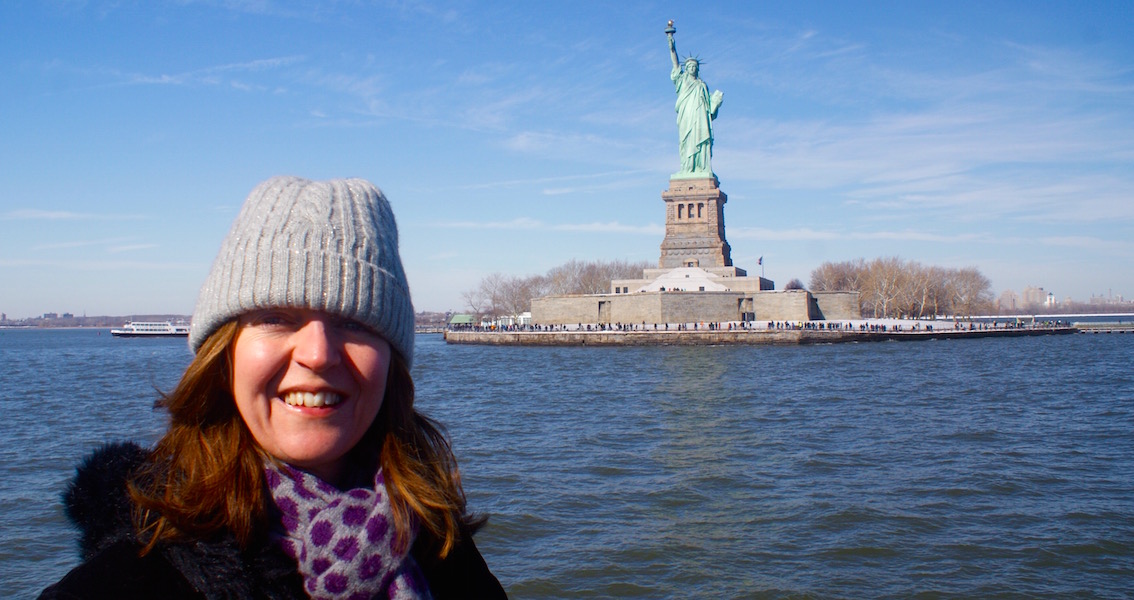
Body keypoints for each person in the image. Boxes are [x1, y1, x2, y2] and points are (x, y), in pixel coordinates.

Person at [41, 177, 506, 599]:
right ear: (224, 355)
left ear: (391, 361)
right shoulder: (123, 584)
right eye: (275, 318)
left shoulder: (443, 550)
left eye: (354, 322)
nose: (319, 354)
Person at [667, 26, 723, 177]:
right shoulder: (682, 79)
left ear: (697, 69)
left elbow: (710, 111)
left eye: (694, 67)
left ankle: (701, 167)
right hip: (686, 116)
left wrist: (715, 104)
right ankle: (687, 168)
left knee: (700, 139)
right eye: (689, 66)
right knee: (686, 141)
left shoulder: (702, 85)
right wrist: (671, 45)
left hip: (699, 118)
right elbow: (675, 64)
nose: (691, 68)